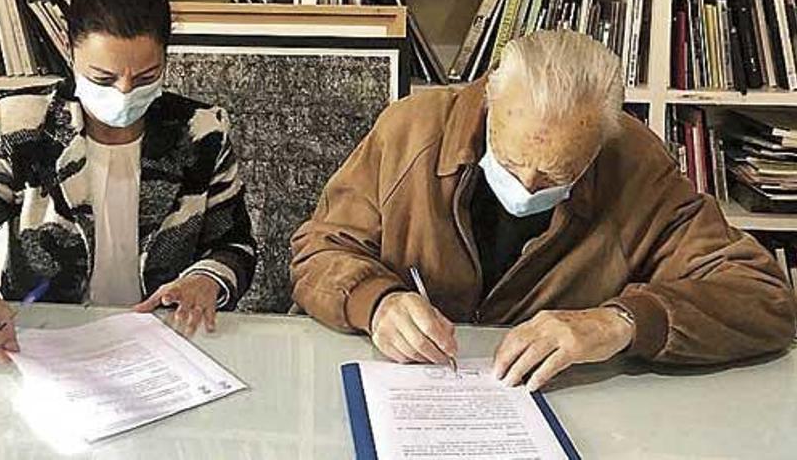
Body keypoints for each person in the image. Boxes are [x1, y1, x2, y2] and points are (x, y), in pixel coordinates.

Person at [290, 30, 797, 391]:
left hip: (559, 402)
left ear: (603, 139)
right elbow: (318, 251)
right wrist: (376, 302)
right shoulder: (411, 130)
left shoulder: (636, 165)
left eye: (557, 176)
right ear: (488, 102)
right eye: (511, 161)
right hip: (401, 388)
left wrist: (618, 323)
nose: (527, 186)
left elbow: (764, 297)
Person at [0, 0, 256, 362]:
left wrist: (207, 278)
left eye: (147, 76)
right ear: (70, 47)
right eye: (103, 76)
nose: (125, 92)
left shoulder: (202, 133)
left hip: (165, 347)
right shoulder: (22, 128)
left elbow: (234, 245)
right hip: (43, 348)